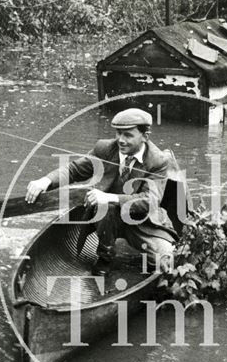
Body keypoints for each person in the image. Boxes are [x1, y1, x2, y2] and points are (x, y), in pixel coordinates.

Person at [25, 108, 177, 274]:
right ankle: (105, 256)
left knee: (168, 263)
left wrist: (109, 197)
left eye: (128, 135)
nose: (121, 140)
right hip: (107, 219)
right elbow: (74, 169)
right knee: (106, 207)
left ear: (145, 137)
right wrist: (46, 180)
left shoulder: (158, 161)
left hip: (141, 223)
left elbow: (150, 201)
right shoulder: (104, 149)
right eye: (118, 133)